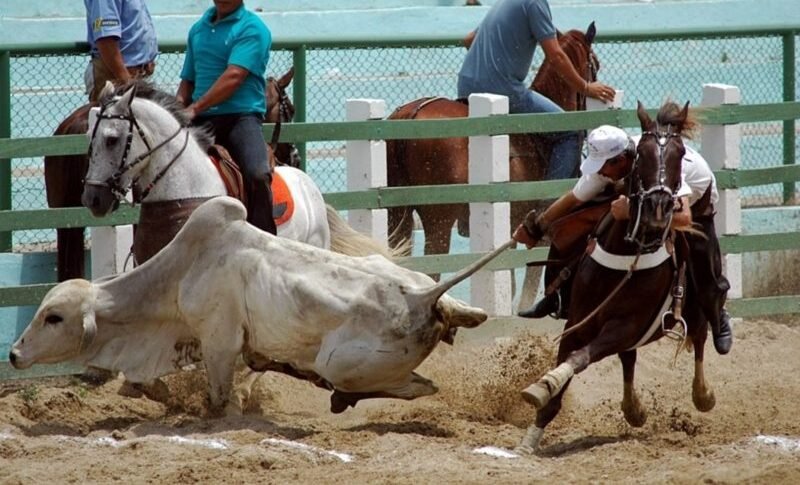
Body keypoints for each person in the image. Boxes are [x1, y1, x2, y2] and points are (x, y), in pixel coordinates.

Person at [515, 118, 734, 356]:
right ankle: (557, 294)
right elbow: (574, 198)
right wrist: (537, 227)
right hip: (642, 197)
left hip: (695, 203)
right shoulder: (609, 166)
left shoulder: (658, 164)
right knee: (578, 220)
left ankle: (717, 315)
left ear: (621, 160)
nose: (599, 171)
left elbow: (683, 219)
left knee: (703, 262)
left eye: (602, 166)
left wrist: (630, 211)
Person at [457, 0, 617, 180]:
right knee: (571, 131)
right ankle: (552, 195)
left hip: (466, 84)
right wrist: (586, 87)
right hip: (504, 89)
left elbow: (469, 39)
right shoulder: (536, 3)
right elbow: (556, 55)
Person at [176, 0, 277, 235]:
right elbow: (187, 81)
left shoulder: (253, 28)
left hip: (240, 118)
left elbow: (234, 76)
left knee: (257, 173)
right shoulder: (198, 29)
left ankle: (264, 237)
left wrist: (194, 108)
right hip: (200, 119)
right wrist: (175, 110)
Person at [83, 0, 158, 102]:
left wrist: (145, 60)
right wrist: (127, 81)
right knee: (108, 110)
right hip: (114, 75)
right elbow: (106, 39)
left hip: (131, 75)